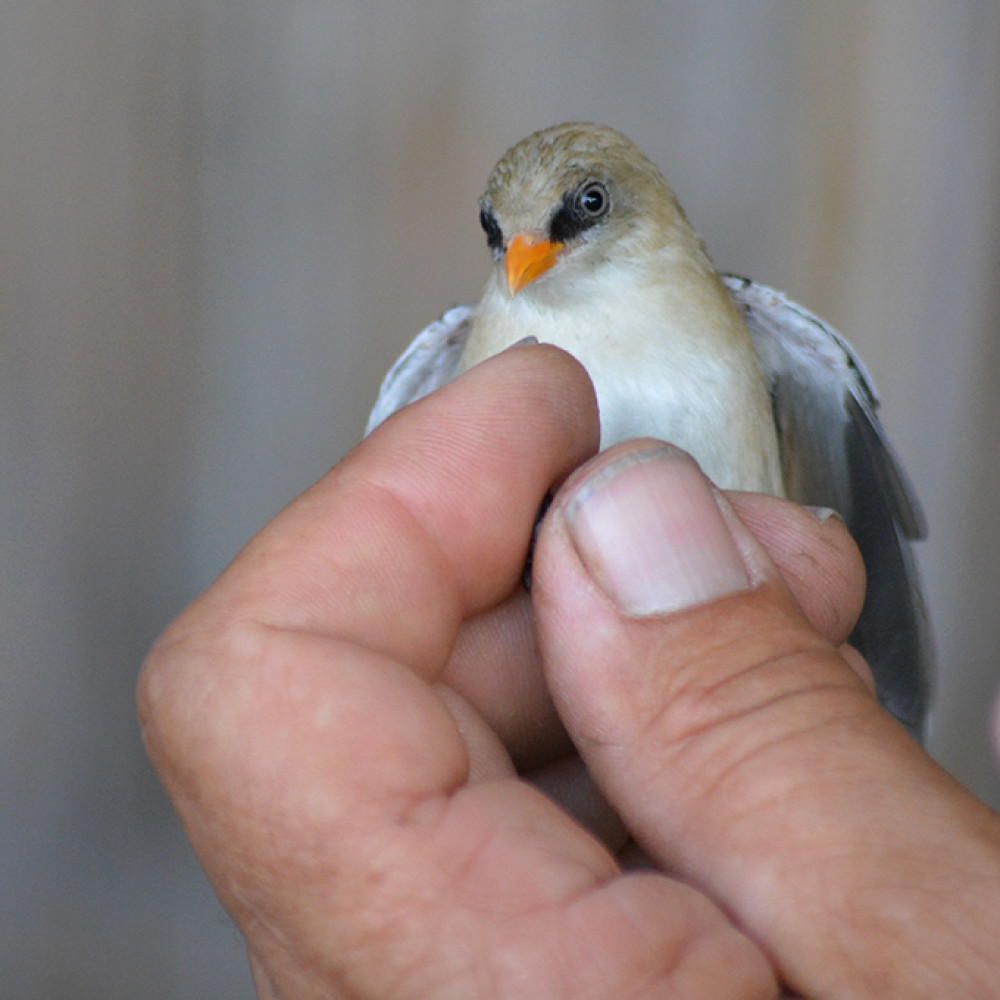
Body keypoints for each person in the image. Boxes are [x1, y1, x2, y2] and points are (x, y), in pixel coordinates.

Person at [139, 344, 1000, 999]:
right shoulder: (481, 341)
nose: (525, 257)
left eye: (576, 217)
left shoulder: (768, 336)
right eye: (499, 238)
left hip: (708, 627)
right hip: (593, 684)